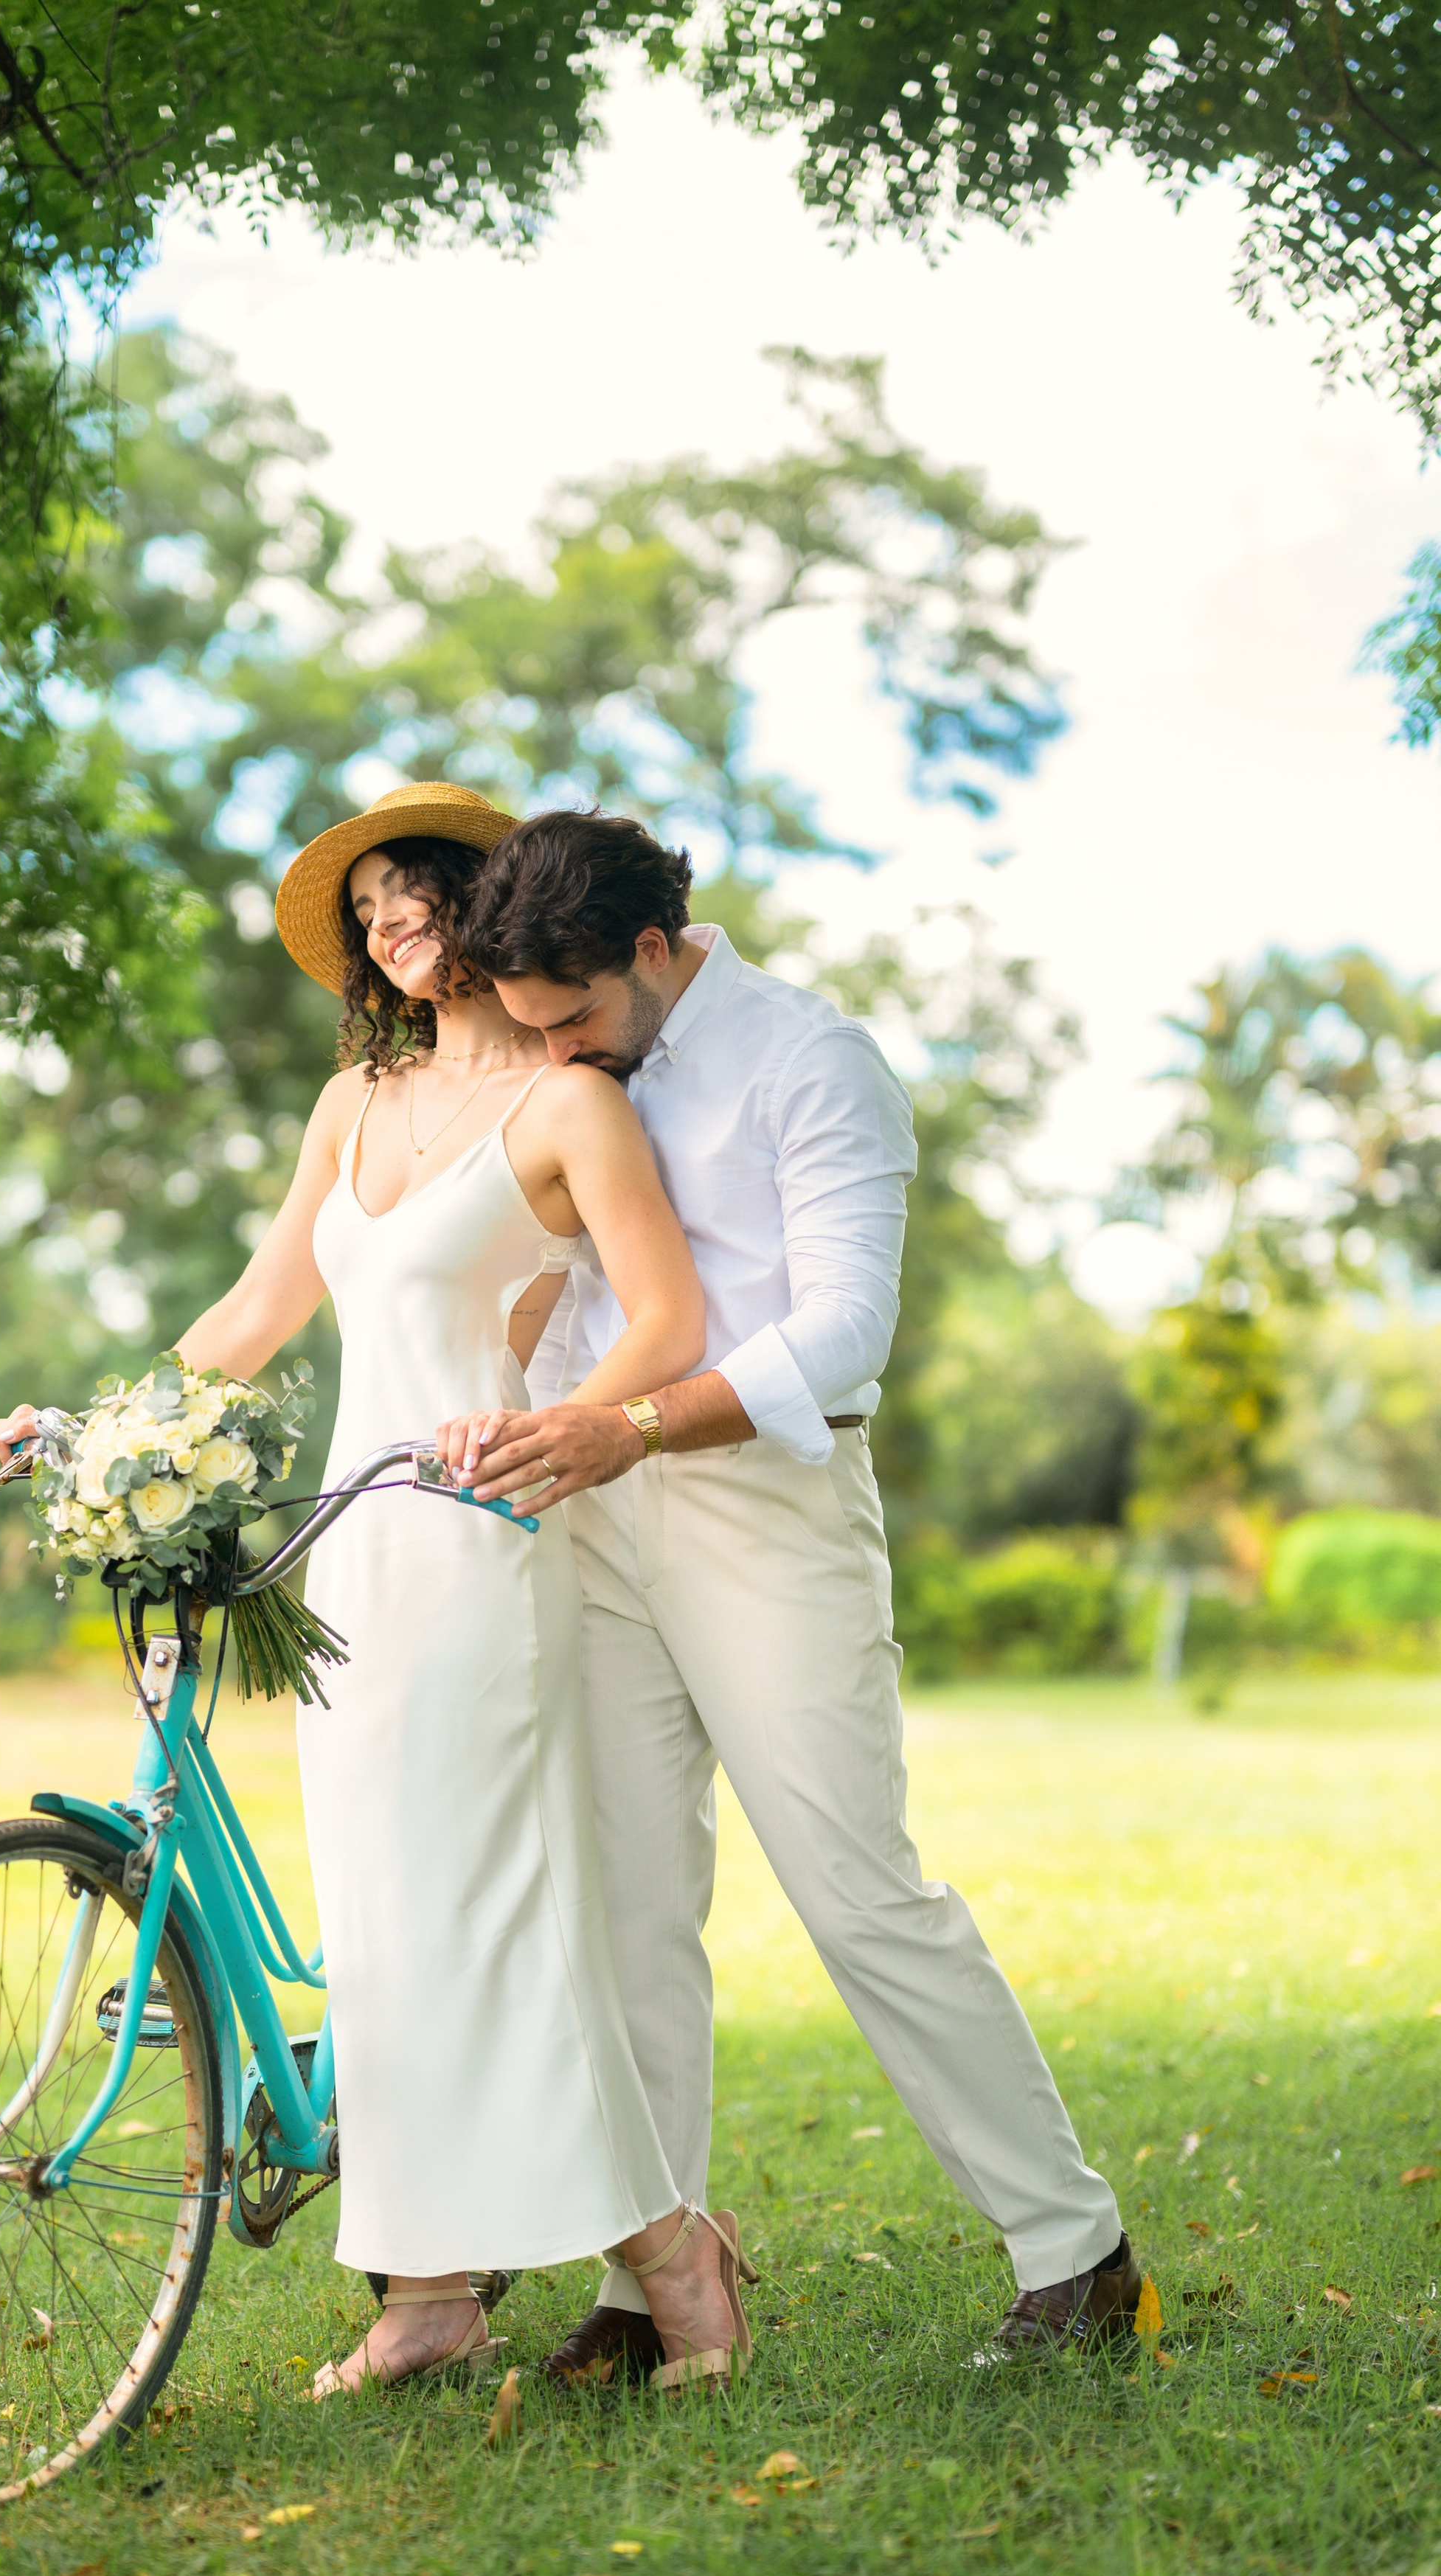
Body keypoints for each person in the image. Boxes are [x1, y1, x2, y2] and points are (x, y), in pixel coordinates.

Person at [0, 782, 751, 2397]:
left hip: (486, 1542)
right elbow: (262, 1303)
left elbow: (667, 1324)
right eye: (373, 919)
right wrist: (100, 1424)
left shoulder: (564, 1105)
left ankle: (678, 2259)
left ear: (487, 902)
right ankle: (425, 2296)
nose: (396, 935)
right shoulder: (354, 1099)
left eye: (420, 903)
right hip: (346, 1550)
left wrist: (555, 1423)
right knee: (383, 1927)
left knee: (491, 1919)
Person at [444, 808, 1142, 2375]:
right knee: (622, 1905)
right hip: (600, 1511)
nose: (553, 1051)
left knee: (856, 1890)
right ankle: (651, 2274)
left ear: (646, 948)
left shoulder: (815, 1063)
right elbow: (574, 1302)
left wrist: (626, 1425)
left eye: (571, 1017)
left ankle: (1073, 2254)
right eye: (528, 1026)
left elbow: (840, 1332)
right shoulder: (579, 1070)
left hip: (765, 1501)